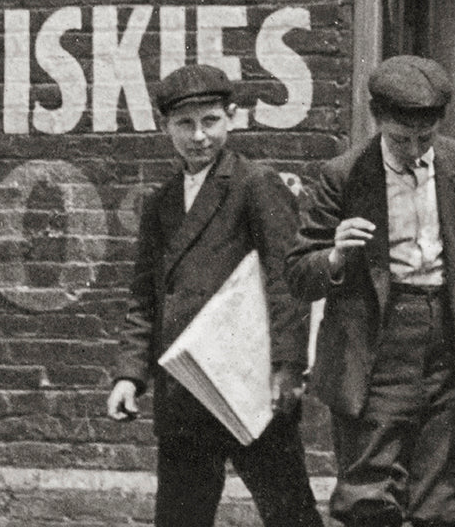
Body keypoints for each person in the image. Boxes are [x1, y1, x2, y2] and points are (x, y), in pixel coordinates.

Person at [285, 55, 455, 527]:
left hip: (447, 336)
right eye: (401, 139)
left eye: (425, 138)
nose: (414, 150)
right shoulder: (344, 174)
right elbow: (298, 273)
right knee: (369, 494)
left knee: (440, 497)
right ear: (377, 120)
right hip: (376, 343)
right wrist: (337, 256)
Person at [106, 64, 323, 527]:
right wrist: (130, 375)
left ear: (232, 118)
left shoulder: (254, 183)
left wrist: (288, 367)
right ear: (166, 128)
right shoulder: (161, 202)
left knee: (289, 513)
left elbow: (288, 280)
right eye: (185, 124)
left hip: (251, 383)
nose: (198, 136)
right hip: (186, 388)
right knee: (182, 516)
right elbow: (146, 296)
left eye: (210, 121)